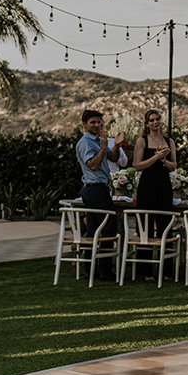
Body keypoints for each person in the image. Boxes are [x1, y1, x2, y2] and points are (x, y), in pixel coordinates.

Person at [75, 109, 126, 280]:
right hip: (94, 189)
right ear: (84, 124)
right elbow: (93, 165)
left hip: (100, 188)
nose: (97, 125)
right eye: (93, 122)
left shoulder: (98, 140)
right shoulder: (85, 143)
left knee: (94, 230)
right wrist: (104, 146)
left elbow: (113, 158)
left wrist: (116, 145)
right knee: (107, 229)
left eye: (99, 122)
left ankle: (91, 271)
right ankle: (105, 271)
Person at [132, 109, 177, 280]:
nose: (155, 122)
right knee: (146, 227)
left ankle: (166, 272)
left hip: (164, 186)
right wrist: (155, 157)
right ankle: (145, 272)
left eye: (158, 119)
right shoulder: (141, 141)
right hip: (147, 187)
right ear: (147, 123)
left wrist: (164, 160)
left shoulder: (169, 141)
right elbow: (137, 165)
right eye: (152, 120)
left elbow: (174, 166)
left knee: (166, 226)